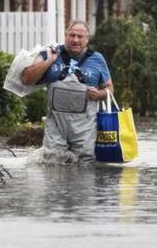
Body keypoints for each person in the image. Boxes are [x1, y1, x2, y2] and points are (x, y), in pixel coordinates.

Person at [21, 20, 113, 163]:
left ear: (87, 39)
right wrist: (48, 62)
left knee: (85, 166)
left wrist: (99, 94)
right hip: (56, 126)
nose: (76, 40)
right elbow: (26, 79)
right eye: (72, 35)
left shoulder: (97, 59)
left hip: (85, 128)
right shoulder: (50, 52)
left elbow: (110, 89)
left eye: (80, 36)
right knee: (52, 163)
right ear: (65, 36)